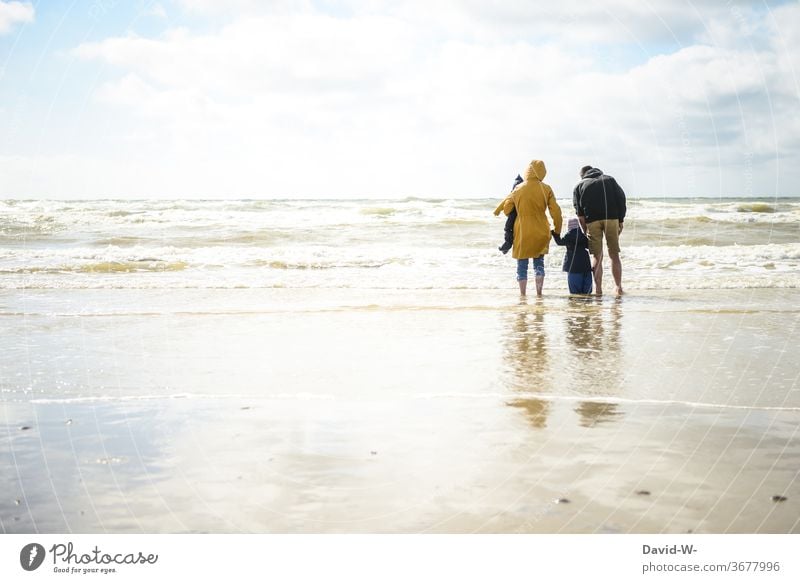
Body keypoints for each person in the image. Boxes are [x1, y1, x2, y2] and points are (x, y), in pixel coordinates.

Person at [494, 160, 562, 296]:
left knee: (522, 265)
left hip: (522, 231)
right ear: (542, 172)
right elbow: (556, 212)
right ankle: (539, 293)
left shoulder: (518, 188)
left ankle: (523, 295)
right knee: (539, 264)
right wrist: (557, 230)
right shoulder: (546, 188)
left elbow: (507, 209)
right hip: (541, 229)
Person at [572, 165, 627, 296]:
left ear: (583, 175)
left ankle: (598, 289)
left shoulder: (579, 186)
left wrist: (585, 230)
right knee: (614, 254)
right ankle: (618, 287)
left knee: (597, 256)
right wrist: (621, 220)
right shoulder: (610, 180)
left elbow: (580, 214)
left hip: (592, 221)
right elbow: (621, 199)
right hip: (612, 217)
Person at [551, 217, 593, 294]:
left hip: (573, 266)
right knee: (587, 292)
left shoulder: (568, 236)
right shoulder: (583, 236)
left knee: (575, 293)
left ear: (569, 227)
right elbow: (589, 246)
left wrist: (555, 234)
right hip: (585, 265)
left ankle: (576, 305)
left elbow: (559, 242)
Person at [497, 174, 524, 254]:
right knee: (508, 227)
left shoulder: (514, 193)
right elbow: (504, 202)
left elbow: (504, 202)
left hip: (515, 213)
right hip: (516, 212)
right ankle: (507, 244)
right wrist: (497, 210)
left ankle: (508, 243)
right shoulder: (518, 193)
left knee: (508, 227)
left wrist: (498, 210)